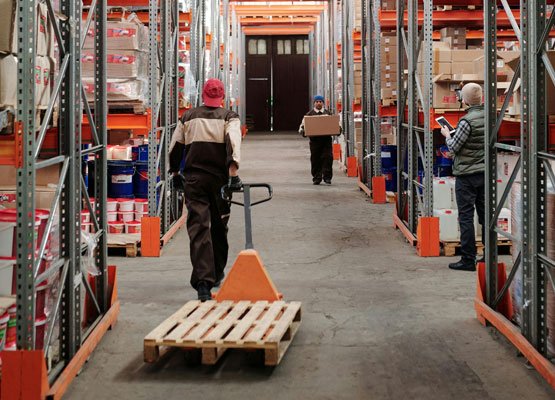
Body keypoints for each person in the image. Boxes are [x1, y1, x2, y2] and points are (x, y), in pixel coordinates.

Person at [169, 78, 243, 301]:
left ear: (203, 95)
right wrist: (233, 173)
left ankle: (203, 282)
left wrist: (174, 173)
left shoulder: (188, 116)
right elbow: (233, 142)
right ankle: (217, 272)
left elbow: (176, 146)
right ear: (222, 97)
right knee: (219, 226)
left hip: (194, 181)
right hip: (220, 182)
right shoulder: (230, 117)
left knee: (199, 228)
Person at [440, 82, 485, 272]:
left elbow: (453, 147)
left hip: (467, 175)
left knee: (466, 217)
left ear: (464, 100)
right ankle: (489, 256)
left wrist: (447, 135)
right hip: (484, 173)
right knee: (486, 216)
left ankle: (468, 259)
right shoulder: (488, 116)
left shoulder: (466, 121)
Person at [299, 95, 335, 185]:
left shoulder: (328, 114)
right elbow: (302, 127)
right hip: (315, 142)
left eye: (320, 101)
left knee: (328, 158)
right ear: (314, 103)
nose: (319, 103)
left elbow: (336, 125)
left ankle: (327, 177)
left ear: (323, 103)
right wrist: (303, 131)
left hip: (326, 141)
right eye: (317, 101)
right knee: (315, 159)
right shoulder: (309, 115)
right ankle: (317, 178)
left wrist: (338, 130)